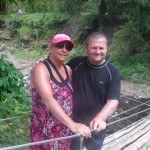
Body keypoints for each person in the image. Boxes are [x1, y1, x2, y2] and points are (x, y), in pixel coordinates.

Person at [30, 33, 91, 150]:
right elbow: (48, 99)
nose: (64, 50)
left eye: (68, 47)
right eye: (60, 45)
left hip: (64, 130)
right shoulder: (41, 68)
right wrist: (73, 125)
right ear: (51, 47)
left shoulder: (68, 70)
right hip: (45, 132)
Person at [67, 32, 120, 150]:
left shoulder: (112, 71)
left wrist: (100, 117)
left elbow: (113, 101)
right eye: (94, 48)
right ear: (86, 48)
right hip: (74, 124)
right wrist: (45, 64)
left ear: (106, 49)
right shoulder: (76, 63)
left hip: (97, 125)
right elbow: (58, 72)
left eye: (101, 48)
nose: (97, 51)